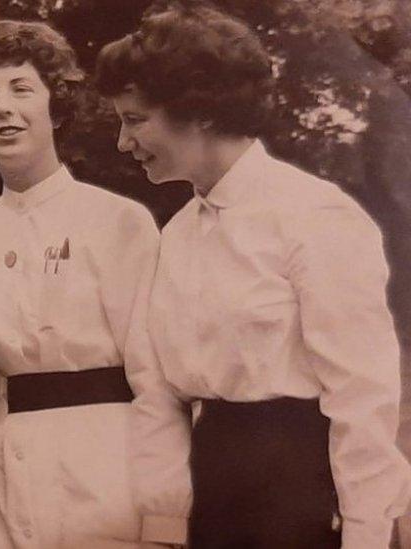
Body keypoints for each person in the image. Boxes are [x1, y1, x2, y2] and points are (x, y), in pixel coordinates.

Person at [96, 4, 411, 548]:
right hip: (213, 494)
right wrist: (164, 521)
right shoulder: (175, 235)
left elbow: (364, 396)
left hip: (303, 493)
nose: (123, 143)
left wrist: (367, 532)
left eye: (134, 119)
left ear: (200, 113)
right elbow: (160, 394)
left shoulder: (312, 217)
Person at [0, 20, 163, 548]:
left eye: (22, 89)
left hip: (113, 475)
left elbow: (157, 378)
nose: (3, 108)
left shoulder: (120, 220)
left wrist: (164, 515)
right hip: (8, 482)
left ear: (55, 106)